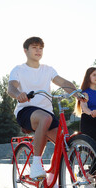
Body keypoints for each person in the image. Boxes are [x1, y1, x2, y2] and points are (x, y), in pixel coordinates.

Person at [8, 37, 85, 179]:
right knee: (45, 118)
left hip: (47, 113)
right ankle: (36, 164)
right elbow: (11, 87)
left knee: (65, 144)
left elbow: (63, 82)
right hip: (26, 110)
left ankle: (54, 180)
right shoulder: (18, 70)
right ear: (25, 50)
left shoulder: (48, 70)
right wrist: (19, 94)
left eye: (40, 48)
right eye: (34, 47)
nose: (38, 50)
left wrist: (77, 93)